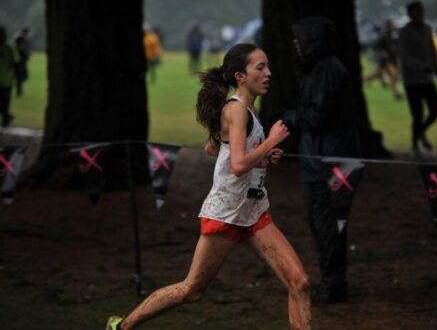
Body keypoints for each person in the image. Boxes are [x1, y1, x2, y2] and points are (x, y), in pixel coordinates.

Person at [105, 43, 311, 330]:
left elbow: (213, 148)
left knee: (299, 282)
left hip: (254, 211)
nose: (268, 73)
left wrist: (263, 153)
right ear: (240, 75)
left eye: (268, 66)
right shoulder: (235, 110)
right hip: (225, 213)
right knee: (192, 290)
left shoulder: (248, 110)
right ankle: (123, 326)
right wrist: (270, 143)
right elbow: (238, 165)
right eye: (260, 67)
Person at [280, 16, 361, 305]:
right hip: (323, 161)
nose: (295, 43)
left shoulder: (327, 70)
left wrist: (287, 118)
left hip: (333, 164)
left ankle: (334, 285)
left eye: (300, 37)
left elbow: (318, 116)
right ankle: (332, 281)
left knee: (329, 223)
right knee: (321, 222)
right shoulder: (318, 70)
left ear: (313, 39)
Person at [399, 0, 437, 157]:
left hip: (426, 78)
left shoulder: (427, 29)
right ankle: (415, 145)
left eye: (422, 11)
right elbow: (405, 57)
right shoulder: (404, 32)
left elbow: (432, 52)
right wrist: (422, 65)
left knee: (436, 109)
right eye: (418, 11)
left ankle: (421, 132)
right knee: (417, 114)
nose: (421, 14)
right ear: (410, 13)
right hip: (412, 80)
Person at [364, 20, 404, 100]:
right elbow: (376, 45)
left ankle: (397, 93)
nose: (394, 26)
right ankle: (397, 93)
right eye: (393, 24)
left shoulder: (389, 34)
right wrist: (382, 52)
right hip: (383, 60)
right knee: (392, 75)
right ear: (389, 26)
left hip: (386, 59)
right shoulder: (384, 35)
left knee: (378, 75)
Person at [0, 26, 19, 128]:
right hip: (7, 80)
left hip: (6, 81)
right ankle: (7, 117)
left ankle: (6, 121)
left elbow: (15, 63)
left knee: (5, 104)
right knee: (4, 104)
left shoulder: (9, 48)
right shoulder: (10, 47)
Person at [13, 26, 31, 96]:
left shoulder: (19, 36)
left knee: (20, 76)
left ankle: (19, 91)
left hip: (19, 60)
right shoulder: (20, 38)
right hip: (20, 60)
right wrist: (26, 55)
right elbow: (21, 49)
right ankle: (19, 91)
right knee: (19, 76)